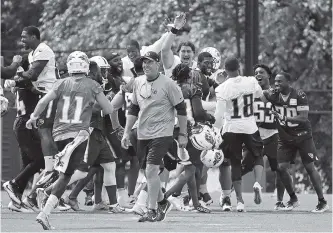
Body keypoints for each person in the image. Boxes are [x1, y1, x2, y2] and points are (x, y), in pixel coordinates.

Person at [25, 51, 115, 230]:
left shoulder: (60, 83)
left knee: (68, 173)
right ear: (86, 66)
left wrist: (33, 117)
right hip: (78, 135)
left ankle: (46, 197)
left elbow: (43, 102)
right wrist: (91, 103)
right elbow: (109, 108)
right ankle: (45, 211)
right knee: (68, 175)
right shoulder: (93, 85)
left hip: (58, 134)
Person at [121, 51, 188, 222]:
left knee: (151, 170)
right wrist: (127, 131)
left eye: (150, 62)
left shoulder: (168, 84)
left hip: (163, 133)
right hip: (143, 134)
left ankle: (150, 209)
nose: (146, 65)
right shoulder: (137, 82)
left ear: (158, 64)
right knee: (150, 173)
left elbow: (181, 109)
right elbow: (133, 109)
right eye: (144, 62)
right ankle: (163, 202)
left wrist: (182, 133)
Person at [264, 71, 329, 213]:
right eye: (275, 81)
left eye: (280, 81)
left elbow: (303, 117)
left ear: (288, 82)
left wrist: (284, 117)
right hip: (285, 137)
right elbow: (260, 92)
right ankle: (293, 198)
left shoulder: (299, 95)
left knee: (309, 167)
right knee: (281, 168)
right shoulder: (273, 95)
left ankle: (322, 201)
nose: (277, 84)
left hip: (302, 135)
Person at [213, 56, 264, 212]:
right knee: (258, 155)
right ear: (239, 67)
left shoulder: (222, 88)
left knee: (234, 163)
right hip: (249, 126)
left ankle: (240, 202)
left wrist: (215, 130)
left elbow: (219, 115)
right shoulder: (251, 81)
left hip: (231, 128)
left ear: (225, 70)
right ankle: (257, 182)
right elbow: (260, 96)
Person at [163, 63, 214, 213]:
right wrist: (209, 117)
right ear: (189, 76)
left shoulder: (169, 88)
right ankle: (166, 197)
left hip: (171, 130)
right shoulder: (193, 88)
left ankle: (196, 204)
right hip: (188, 130)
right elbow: (198, 112)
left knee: (191, 168)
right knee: (192, 169)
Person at [15, 26, 58, 190]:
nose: (22, 40)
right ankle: (44, 174)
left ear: (34, 36)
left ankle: (49, 169)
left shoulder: (43, 50)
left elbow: (32, 75)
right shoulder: (32, 54)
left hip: (49, 94)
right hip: (41, 96)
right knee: (39, 141)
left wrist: (18, 73)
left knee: (45, 131)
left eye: (24, 37)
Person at [240, 64, 285, 209]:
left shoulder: (274, 92)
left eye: (261, 72)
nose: (258, 74)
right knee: (244, 166)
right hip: (256, 134)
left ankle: (279, 200)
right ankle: (228, 192)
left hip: (273, 133)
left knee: (280, 167)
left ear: (269, 76)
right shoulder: (253, 92)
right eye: (256, 72)